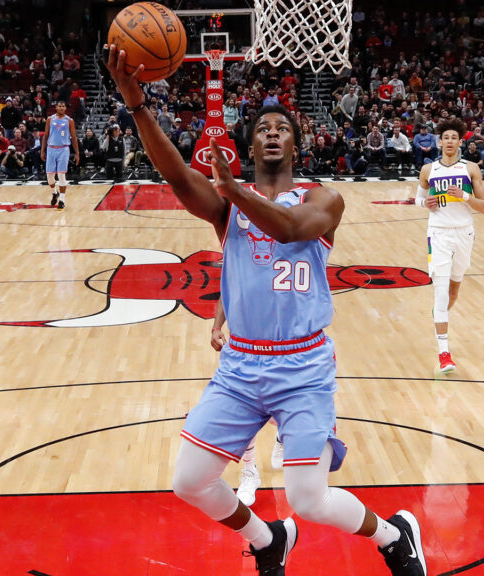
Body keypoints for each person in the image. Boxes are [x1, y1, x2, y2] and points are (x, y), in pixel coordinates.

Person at [105, 46, 427, 576]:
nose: (273, 132)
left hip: (303, 366)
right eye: (263, 128)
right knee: (188, 480)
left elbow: (291, 229)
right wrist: (136, 102)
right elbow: (179, 177)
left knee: (308, 498)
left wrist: (232, 190)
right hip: (240, 366)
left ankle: (395, 535)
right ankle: (266, 539)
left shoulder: (323, 199)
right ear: (249, 142)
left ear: (296, 143)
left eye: (282, 127)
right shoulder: (227, 204)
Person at [416, 118, 484, 374]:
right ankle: (444, 353)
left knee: (454, 290)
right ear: (440, 141)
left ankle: (439, 315)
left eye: (453, 138)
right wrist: (425, 204)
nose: (449, 141)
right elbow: (418, 198)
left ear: (460, 141)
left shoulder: (470, 169)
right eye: (445, 137)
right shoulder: (429, 170)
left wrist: (466, 196)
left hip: (464, 233)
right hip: (438, 234)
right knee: (441, 290)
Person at [209, 296, 285, 507]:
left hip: (279, 348)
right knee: (243, 412)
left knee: (277, 411)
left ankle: (282, 433)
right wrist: (216, 327)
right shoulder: (237, 264)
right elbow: (226, 290)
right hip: (242, 350)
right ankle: (250, 471)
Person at [40, 101, 79, 210]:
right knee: (49, 177)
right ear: (56, 107)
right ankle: (55, 192)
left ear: (65, 108)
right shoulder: (50, 119)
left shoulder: (69, 121)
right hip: (51, 149)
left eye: (63, 106)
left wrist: (77, 153)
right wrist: (42, 150)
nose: (61, 108)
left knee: (61, 175)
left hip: (64, 149)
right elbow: (46, 135)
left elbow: (74, 137)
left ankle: (62, 200)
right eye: (59, 106)